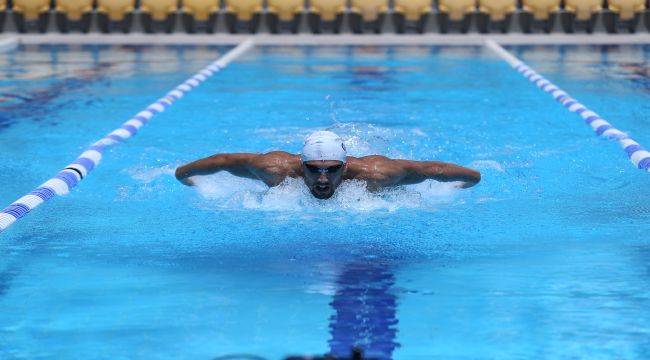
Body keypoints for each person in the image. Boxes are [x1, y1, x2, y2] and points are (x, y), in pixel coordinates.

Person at [175, 131, 481, 200]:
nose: (323, 178)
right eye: (315, 169)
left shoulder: (378, 174)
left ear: (345, 166)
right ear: (301, 165)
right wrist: (183, 175)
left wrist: (469, 180)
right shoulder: (276, 168)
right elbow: (223, 161)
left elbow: (431, 170)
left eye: (332, 169)